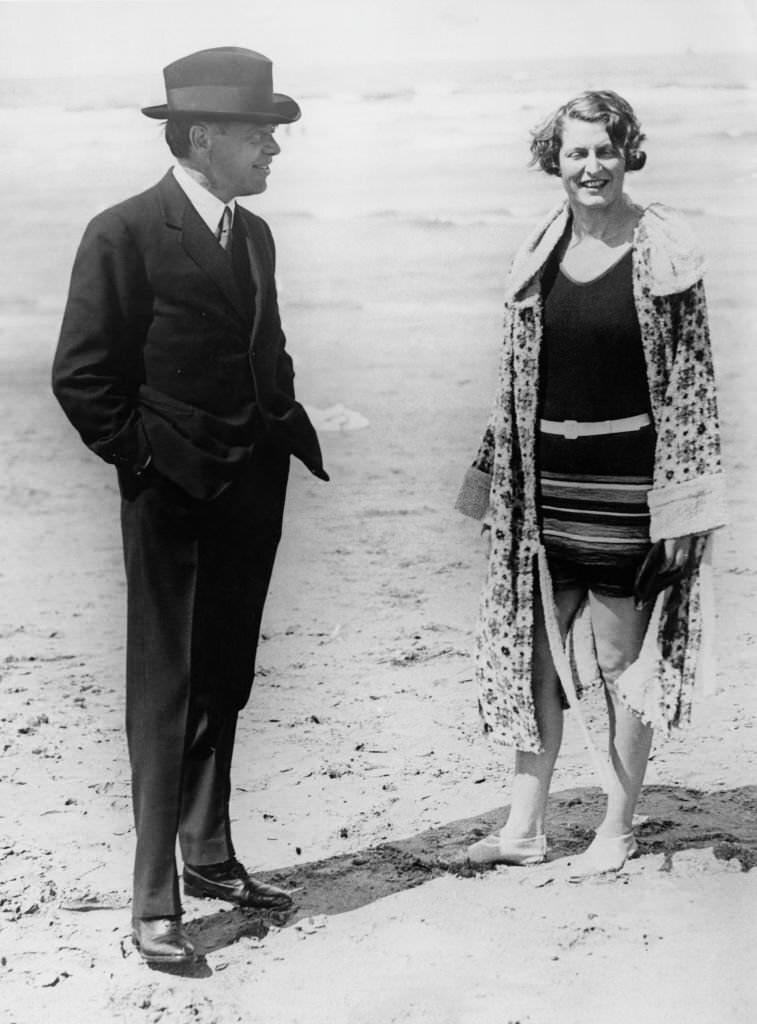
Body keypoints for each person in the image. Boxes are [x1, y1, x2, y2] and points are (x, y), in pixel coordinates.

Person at [52, 46, 328, 964]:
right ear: (203, 135)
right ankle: (154, 899)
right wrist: (148, 462)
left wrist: (281, 423)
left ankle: (209, 855)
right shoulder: (123, 231)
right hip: (171, 495)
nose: (274, 151)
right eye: (262, 135)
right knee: (166, 692)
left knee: (226, 676)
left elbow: (268, 350)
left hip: (253, 487)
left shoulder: (252, 235)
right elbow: (85, 379)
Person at [455, 91, 727, 875]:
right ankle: (524, 829)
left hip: (626, 491)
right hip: (544, 488)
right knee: (532, 657)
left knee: (614, 668)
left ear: (627, 152)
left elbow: (692, 389)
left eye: (605, 150)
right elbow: (512, 380)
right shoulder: (537, 250)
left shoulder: (663, 251)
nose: (591, 166)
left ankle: (614, 828)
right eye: (575, 152)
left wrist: (683, 511)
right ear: (555, 161)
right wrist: (493, 488)